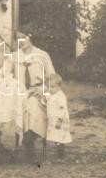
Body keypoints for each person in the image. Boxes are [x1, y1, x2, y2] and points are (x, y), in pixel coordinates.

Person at [13, 26, 56, 159]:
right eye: (18, 38)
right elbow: (4, 73)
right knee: (22, 104)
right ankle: (27, 139)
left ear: (30, 37)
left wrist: (43, 89)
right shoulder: (14, 56)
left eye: (24, 37)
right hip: (20, 92)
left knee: (32, 105)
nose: (21, 40)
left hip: (38, 90)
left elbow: (52, 77)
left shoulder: (42, 55)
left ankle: (29, 139)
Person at [45, 73, 72, 159]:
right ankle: (59, 154)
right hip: (54, 120)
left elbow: (62, 110)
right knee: (56, 137)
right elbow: (47, 99)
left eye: (53, 87)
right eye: (48, 87)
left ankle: (61, 156)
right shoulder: (53, 95)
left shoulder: (60, 96)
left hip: (60, 121)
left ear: (59, 87)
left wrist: (59, 121)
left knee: (60, 138)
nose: (50, 89)